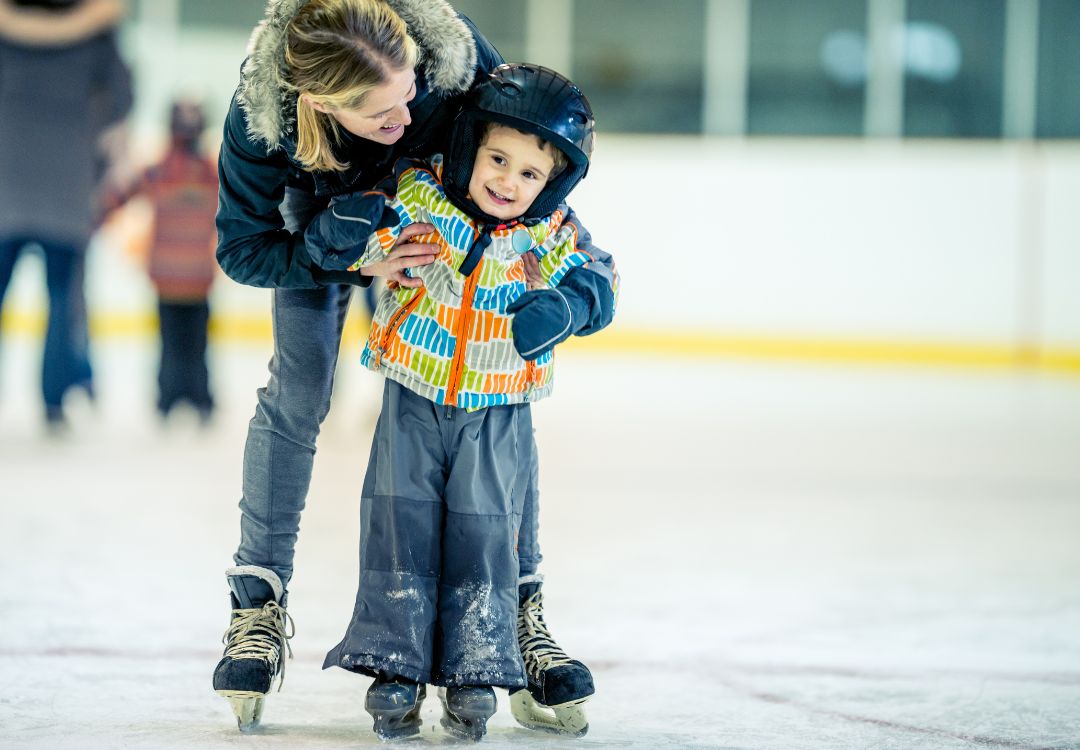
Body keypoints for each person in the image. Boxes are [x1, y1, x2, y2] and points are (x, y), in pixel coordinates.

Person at [211, 0, 617, 736]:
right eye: (382, 113)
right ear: (320, 105)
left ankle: (520, 614)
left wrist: (571, 292)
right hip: (325, 224)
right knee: (298, 394)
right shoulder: (262, 119)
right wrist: (346, 256)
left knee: (494, 402)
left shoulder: (453, 61)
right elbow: (242, 249)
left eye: (411, 97)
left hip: (435, 213)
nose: (407, 113)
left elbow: (534, 175)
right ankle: (257, 606)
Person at [306, 62, 616, 741]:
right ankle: (395, 663)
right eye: (498, 159)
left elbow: (599, 279)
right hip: (412, 399)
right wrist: (347, 227)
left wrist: (567, 305)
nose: (508, 181)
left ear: (552, 182)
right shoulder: (423, 200)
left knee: (482, 538)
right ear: (472, 146)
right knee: (400, 530)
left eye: (529, 173)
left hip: (497, 412)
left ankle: (477, 665)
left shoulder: (549, 234)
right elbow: (362, 239)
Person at [0, 0, 132, 431]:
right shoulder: (96, 33)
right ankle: (54, 402)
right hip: (68, 183)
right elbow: (122, 97)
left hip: (7, 181)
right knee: (61, 299)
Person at [102, 101, 219, 422]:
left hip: (167, 274)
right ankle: (199, 400)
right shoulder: (211, 172)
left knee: (170, 342)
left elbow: (117, 195)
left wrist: (95, 214)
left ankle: (168, 400)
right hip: (197, 275)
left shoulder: (160, 169)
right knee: (197, 343)